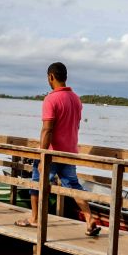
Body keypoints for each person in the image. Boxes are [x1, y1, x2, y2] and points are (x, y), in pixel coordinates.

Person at [14, 62, 100, 236]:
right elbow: (75, 126)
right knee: (73, 186)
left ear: (51, 77)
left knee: (37, 184)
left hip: (52, 153)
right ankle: (89, 218)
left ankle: (34, 218)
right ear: (65, 77)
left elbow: (47, 129)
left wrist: (42, 155)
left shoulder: (51, 99)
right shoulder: (76, 99)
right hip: (69, 152)